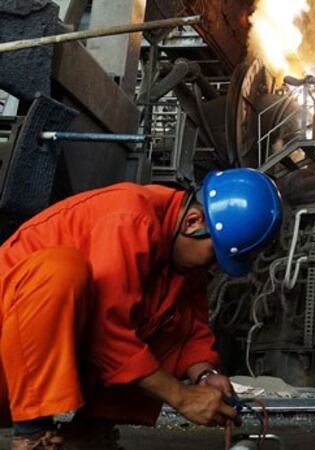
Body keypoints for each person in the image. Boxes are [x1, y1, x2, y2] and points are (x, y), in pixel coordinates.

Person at [0, 168, 283, 449]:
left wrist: (205, 376)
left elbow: (190, 329)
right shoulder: (127, 218)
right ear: (193, 221)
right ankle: (34, 435)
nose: (211, 267)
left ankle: (88, 433)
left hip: (33, 364)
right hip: (8, 364)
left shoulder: (175, 253)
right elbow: (107, 334)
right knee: (60, 272)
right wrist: (182, 397)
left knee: (158, 308)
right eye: (214, 255)